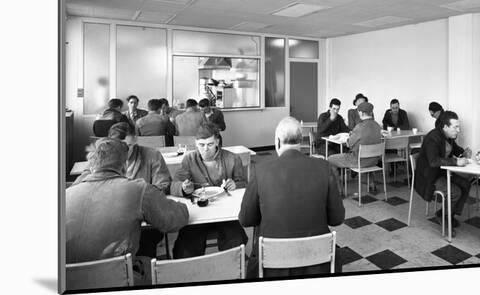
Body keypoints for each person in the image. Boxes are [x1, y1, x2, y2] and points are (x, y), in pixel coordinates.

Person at [239, 117, 345, 278]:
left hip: (272, 265)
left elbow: (246, 219)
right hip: (318, 261)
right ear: (301, 140)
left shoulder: (260, 171)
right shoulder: (324, 167)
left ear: (277, 142)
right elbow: (337, 219)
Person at [66, 138, 189, 266]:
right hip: (119, 277)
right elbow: (174, 220)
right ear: (125, 166)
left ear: (91, 166)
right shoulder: (139, 189)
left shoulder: (65, 195)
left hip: (69, 281)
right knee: (150, 262)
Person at [73, 122, 173, 259]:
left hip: (146, 219)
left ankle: (143, 271)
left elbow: (163, 184)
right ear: (109, 143)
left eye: (130, 145)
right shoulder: (101, 157)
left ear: (136, 140)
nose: (125, 150)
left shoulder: (152, 155)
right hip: (109, 219)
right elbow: (79, 184)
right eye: (120, 145)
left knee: (146, 241)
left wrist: (143, 198)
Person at [170, 122, 248, 258]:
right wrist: (183, 188)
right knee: (186, 246)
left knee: (235, 240)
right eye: (201, 145)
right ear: (195, 143)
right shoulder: (189, 159)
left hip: (225, 213)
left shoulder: (232, 158)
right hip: (198, 213)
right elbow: (174, 185)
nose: (205, 149)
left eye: (210, 144)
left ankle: (233, 269)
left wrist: (236, 184)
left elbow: (244, 183)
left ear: (217, 142)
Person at [413, 111, 472, 235]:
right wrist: (456, 162)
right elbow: (433, 161)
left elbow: (456, 150)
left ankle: (448, 214)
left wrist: (464, 153)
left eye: (458, 126)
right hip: (429, 176)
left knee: (466, 184)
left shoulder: (448, 137)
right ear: (445, 127)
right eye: (455, 127)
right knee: (455, 192)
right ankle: (444, 217)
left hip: (441, 172)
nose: (459, 130)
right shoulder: (433, 138)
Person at [328, 102, 382, 177]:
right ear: (371, 112)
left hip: (358, 161)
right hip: (374, 161)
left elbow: (349, 144)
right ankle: (372, 184)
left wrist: (350, 137)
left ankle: (337, 185)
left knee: (330, 159)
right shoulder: (377, 126)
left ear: (361, 113)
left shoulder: (359, 127)